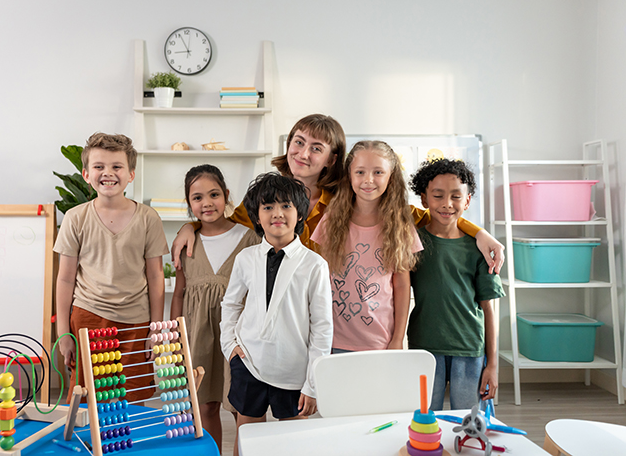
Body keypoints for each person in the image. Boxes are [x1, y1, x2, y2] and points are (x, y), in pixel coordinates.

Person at [171, 114, 505, 273]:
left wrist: (481, 233)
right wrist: (191, 226)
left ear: (332, 159)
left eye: (316, 148)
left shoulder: (348, 196)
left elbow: (426, 216)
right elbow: (227, 226)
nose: (303, 153)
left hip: (332, 305)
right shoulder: (267, 194)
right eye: (298, 142)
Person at [220, 173, 333, 456]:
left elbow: (322, 328)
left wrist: (313, 384)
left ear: (299, 213)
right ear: (257, 216)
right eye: (268, 207)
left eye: (286, 206)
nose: (277, 214)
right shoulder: (246, 258)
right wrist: (229, 346)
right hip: (249, 364)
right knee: (247, 443)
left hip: (293, 371)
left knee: (293, 445)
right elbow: (230, 304)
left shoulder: (314, 265)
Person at [54, 132, 168, 404]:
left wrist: (155, 328)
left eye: (116, 166)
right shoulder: (75, 218)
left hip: (136, 321)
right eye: (99, 166)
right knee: (86, 399)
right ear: (85, 174)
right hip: (88, 318)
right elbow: (65, 279)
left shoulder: (148, 218)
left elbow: (156, 275)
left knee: (131, 397)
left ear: (130, 174)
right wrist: (63, 334)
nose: (108, 173)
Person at [170, 164, 260, 452]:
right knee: (205, 405)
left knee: (240, 406)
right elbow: (180, 292)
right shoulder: (187, 242)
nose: (207, 203)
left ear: (226, 196)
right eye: (197, 198)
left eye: (214, 194)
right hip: (197, 334)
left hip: (238, 336)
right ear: (189, 204)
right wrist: (174, 337)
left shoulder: (249, 238)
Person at [408, 158, 505, 411]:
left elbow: (488, 308)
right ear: (424, 199)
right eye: (438, 196)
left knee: (471, 422)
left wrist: (492, 365)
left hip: (470, 347)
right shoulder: (412, 242)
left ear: (468, 200)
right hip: (424, 346)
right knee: (427, 420)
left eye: (455, 196)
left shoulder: (479, 248)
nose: (447, 204)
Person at [312, 141, 423, 352]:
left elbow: (401, 286)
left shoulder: (401, 225)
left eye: (378, 172)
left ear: (391, 177)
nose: (368, 180)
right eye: (360, 172)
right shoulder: (331, 220)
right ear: (349, 176)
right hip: (333, 340)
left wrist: (398, 339)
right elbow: (320, 280)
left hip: (380, 343)